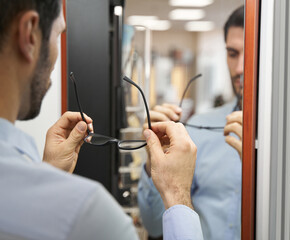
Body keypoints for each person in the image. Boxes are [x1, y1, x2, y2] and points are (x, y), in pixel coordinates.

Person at [0, 1, 203, 239]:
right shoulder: (86, 214)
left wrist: (47, 174)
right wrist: (177, 195)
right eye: (58, 35)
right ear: (30, 34)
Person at [138, 6, 244, 240]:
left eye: (250, 54)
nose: (239, 69)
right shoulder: (199, 128)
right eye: (233, 53)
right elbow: (155, 225)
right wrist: (156, 160)